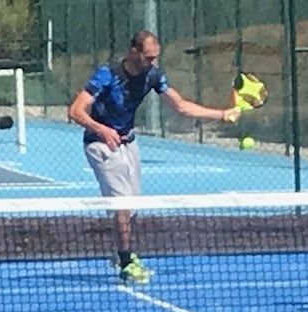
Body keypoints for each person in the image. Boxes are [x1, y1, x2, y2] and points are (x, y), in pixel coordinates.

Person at [68, 30, 239, 284]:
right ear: (133, 52)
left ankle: (121, 252)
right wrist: (102, 130)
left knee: (133, 206)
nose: (152, 62)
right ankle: (126, 261)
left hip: (128, 143)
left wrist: (223, 114)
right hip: (100, 145)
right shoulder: (108, 74)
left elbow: (181, 106)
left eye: (155, 57)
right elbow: (75, 111)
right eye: (148, 57)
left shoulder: (153, 76)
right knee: (122, 205)